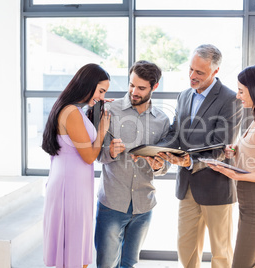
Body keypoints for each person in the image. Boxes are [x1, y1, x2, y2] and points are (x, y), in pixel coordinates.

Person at [158, 44, 243, 268]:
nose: (192, 76)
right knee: (186, 248)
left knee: (221, 252)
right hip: (186, 186)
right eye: (191, 69)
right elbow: (175, 133)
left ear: (215, 71)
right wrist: (160, 150)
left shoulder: (230, 99)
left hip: (216, 186)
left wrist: (190, 161)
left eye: (199, 72)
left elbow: (222, 146)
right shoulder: (184, 96)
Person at [95, 60, 171, 268]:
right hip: (112, 203)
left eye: (141, 87)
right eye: (131, 85)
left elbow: (166, 164)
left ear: (154, 87)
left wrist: (158, 165)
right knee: (106, 264)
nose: (134, 91)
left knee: (129, 263)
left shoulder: (162, 121)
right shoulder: (109, 110)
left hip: (143, 205)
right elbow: (93, 154)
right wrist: (109, 152)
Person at [208, 64, 255, 268]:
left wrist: (236, 175)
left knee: (241, 264)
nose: (237, 95)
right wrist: (234, 153)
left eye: (241, 91)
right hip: (249, 205)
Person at [42, 63, 111, 268]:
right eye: (100, 91)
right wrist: (101, 131)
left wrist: (97, 108)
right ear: (88, 85)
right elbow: (89, 156)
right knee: (73, 251)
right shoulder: (71, 112)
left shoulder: (74, 110)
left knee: (75, 249)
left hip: (73, 184)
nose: (100, 96)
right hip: (69, 188)